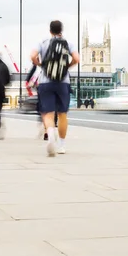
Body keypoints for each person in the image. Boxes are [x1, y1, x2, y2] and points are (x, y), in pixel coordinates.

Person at [31, 20, 79, 157]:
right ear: (61, 30)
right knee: (62, 114)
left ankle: (51, 134)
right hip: (63, 82)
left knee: (48, 113)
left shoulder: (43, 42)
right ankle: (62, 145)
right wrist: (67, 66)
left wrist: (41, 65)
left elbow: (32, 56)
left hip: (46, 81)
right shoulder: (68, 43)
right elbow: (76, 58)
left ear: (50, 30)